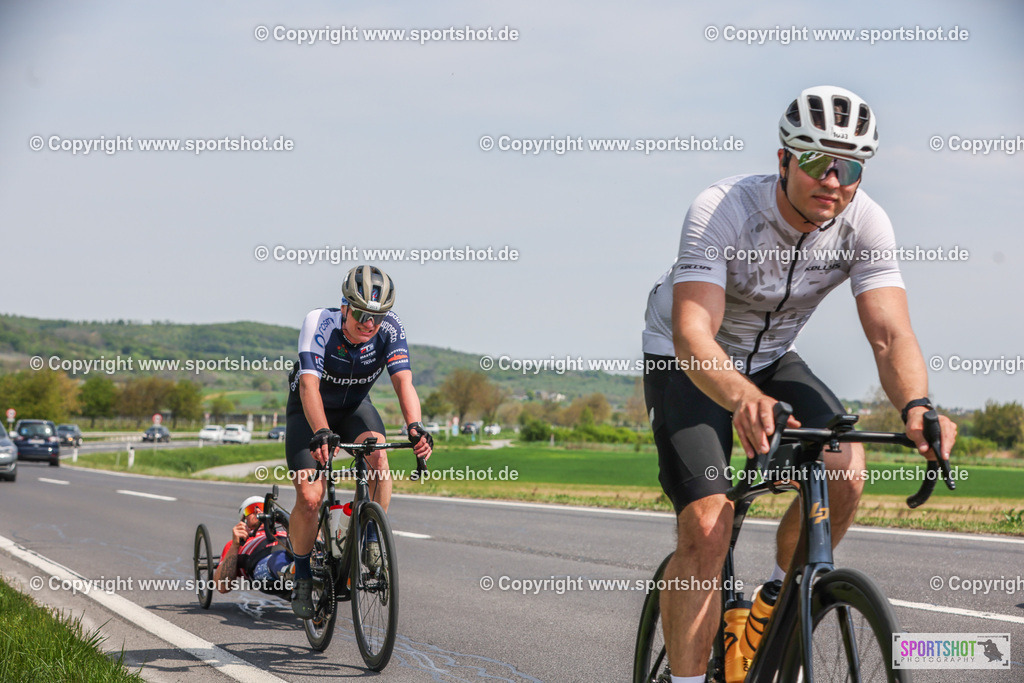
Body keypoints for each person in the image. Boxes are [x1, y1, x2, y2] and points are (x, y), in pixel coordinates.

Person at [641, 85, 958, 682]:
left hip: (771, 358)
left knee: (846, 469)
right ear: (784, 159)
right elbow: (692, 333)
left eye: (850, 168)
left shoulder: (865, 223)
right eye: (816, 161)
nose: (833, 180)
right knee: (707, 526)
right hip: (687, 360)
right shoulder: (723, 209)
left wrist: (918, 405)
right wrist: (744, 398)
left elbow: (890, 334)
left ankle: (773, 604)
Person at [286, 265, 433, 618]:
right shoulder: (320, 323)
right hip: (310, 412)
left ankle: (369, 538)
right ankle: (302, 575)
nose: (370, 324)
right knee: (310, 497)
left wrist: (415, 426)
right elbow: (308, 384)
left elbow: (403, 381)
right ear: (345, 307)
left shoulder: (391, 328)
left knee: (379, 459)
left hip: (354, 408)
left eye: (377, 317)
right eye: (362, 315)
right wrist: (321, 431)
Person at [214, 496, 292, 597]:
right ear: (243, 519)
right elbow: (222, 586)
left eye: (262, 507)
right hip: (264, 562)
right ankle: (289, 572)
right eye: (250, 509)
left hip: (292, 550)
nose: (258, 511)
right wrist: (235, 545)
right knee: (277, 559)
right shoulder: (236, 543)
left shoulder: (283, 531)